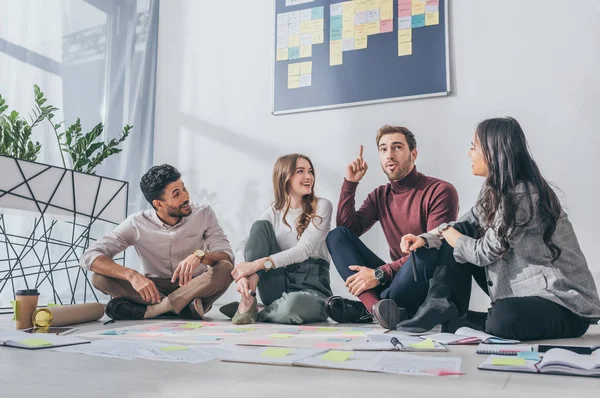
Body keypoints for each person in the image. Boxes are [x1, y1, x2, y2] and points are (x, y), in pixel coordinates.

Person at [395, 117, 600, 340]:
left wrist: (449, 234)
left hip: (561, 302)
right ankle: (440, 302)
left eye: (473, 147)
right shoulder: (493, 190)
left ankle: (458, 318)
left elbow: (485, 252)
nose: (469, 154)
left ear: (493, 151)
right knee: (463, 230)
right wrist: (425, 238)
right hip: (525, 293)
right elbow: (464, 223)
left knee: (503, 319)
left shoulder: (524, 194)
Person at [324, 125, 459, 329]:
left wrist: (378, 274)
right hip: (397, 280)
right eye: (383, 149)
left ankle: (371, 308)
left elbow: (436, 246)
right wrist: (350, 184)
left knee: (423, 248)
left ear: (413, 154)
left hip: (423, 282)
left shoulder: (440, 191)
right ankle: (378, 308)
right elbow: (347, 231)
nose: (389, 155)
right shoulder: (380, 196)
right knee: (335, 236)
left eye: (397, 147)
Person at [81, 164, 234, 320]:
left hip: (195, 286)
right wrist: (132, 275)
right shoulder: (136, 223)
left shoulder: (203, 213)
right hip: (154, 289)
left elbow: (226, 256)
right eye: (176, 194)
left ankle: (154, 310)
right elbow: (89, 256)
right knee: (99, 278)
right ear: (158, 204)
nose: (186, 197)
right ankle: (184, 308)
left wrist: (200, 256)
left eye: (184, 189)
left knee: (225, 268)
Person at [221, 154, 333, 325]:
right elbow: (245, 243)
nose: (308, 177)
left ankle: (255, 311)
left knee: (290, 307)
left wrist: (256, 265)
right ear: (284, 177)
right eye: (300, 171)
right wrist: (242, 272)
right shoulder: (274, 211)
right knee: (259, 227)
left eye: (310, 171)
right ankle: (248, 300)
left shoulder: (322, 206)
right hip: (276, 283)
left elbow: (303, 250)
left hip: (312, 287)